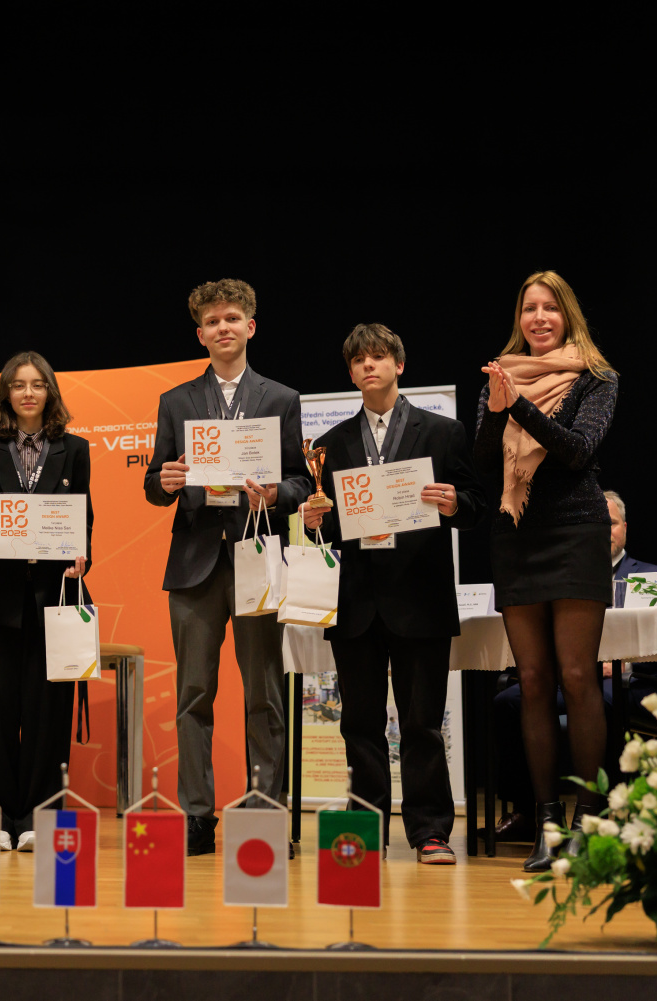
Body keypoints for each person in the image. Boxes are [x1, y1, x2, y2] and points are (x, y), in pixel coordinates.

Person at [299, 324, 485, 865]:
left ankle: (430, 832)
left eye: (378, 357)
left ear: (398, 365)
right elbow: (331, 529)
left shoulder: (443, 432)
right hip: (356, 600)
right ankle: (366, 830)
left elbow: (475, 505)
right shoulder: (330, 443)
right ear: (351, 372)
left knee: (422, 723)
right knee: (359, 724)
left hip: (421, 596)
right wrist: (315, 522)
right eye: (359, 360)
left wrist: (454, 503)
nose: (369, 366)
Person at [145, 278, 311, 856]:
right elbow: (155, 483)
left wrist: (277, 493)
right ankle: (197, 814)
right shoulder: (175, 401)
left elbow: (301, 481)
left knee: (264, 693)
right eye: (212, 321)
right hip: (195, 563)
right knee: (193, 693)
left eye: (232, 318)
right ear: (200, 334)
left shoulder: (281, 398)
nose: (223, 328)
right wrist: (164, 481)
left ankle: (264, 810)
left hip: (256, 556)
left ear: (250, 327)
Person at [475, 269, 618, 871]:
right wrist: (498, 408)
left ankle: (588, 820)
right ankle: (547, 823)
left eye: (550, 308)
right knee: (532, 680)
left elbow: (577, 451)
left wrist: (519, 406)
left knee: (578, 676)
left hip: (576, 532)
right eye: (529, 308)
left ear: (567, 316)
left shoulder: (596, 377)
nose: (539, 318)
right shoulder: (501, 375)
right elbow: (484, 460)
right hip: (516, 537)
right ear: (520, 318)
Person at [0, 351, 92, 853]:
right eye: (19, 385)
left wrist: (81, 557)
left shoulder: (74, 449)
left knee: (47, 713)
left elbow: (83, 518)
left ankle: (40, 816)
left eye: (38, 385)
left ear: (50, 392)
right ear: (6, 394)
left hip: (52, 596)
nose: (29, 393)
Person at [491, 489, 657, 841]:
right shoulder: (552, 577)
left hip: (627, 681)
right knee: (508, 700)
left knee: (600, 699)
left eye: (611, 524)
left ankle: (600, 810)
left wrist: (624, 666)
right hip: (565, 676)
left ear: (624, 528)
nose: (603, 532)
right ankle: (527, 810)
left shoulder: (653, 576)